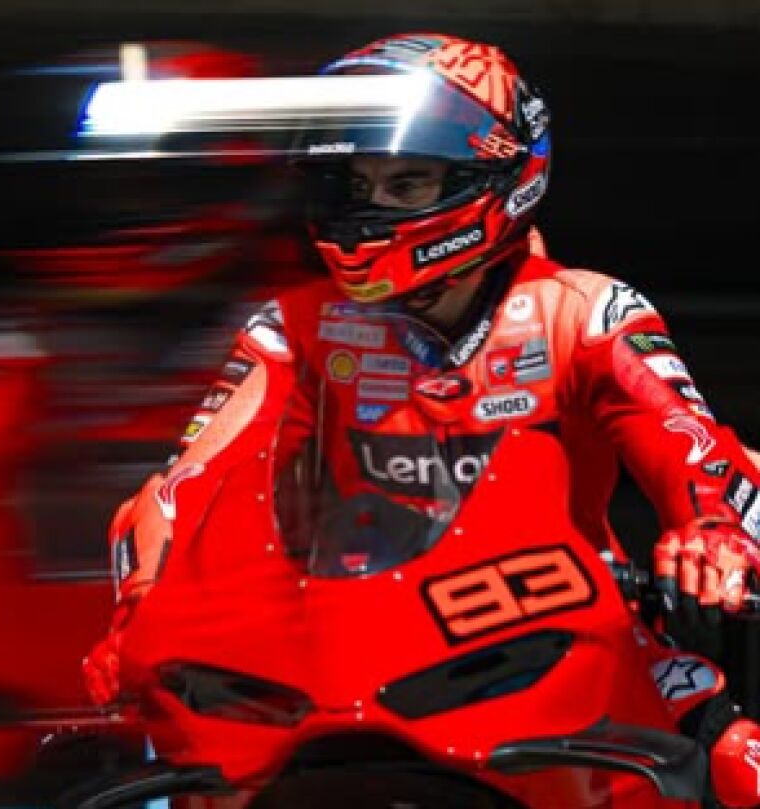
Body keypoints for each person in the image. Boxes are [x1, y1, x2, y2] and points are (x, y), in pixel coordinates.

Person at [83, 33, 760, 808]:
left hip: (568, 633)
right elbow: (186, 484)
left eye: (405, 183)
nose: (369, 211)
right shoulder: (290, 328)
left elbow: (698, 450)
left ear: (495, 178)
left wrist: (714, 537)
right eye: (356, 184)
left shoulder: (587, 311)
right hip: (332, 653)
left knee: (738, 763)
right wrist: (142, 603)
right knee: (150, 781)